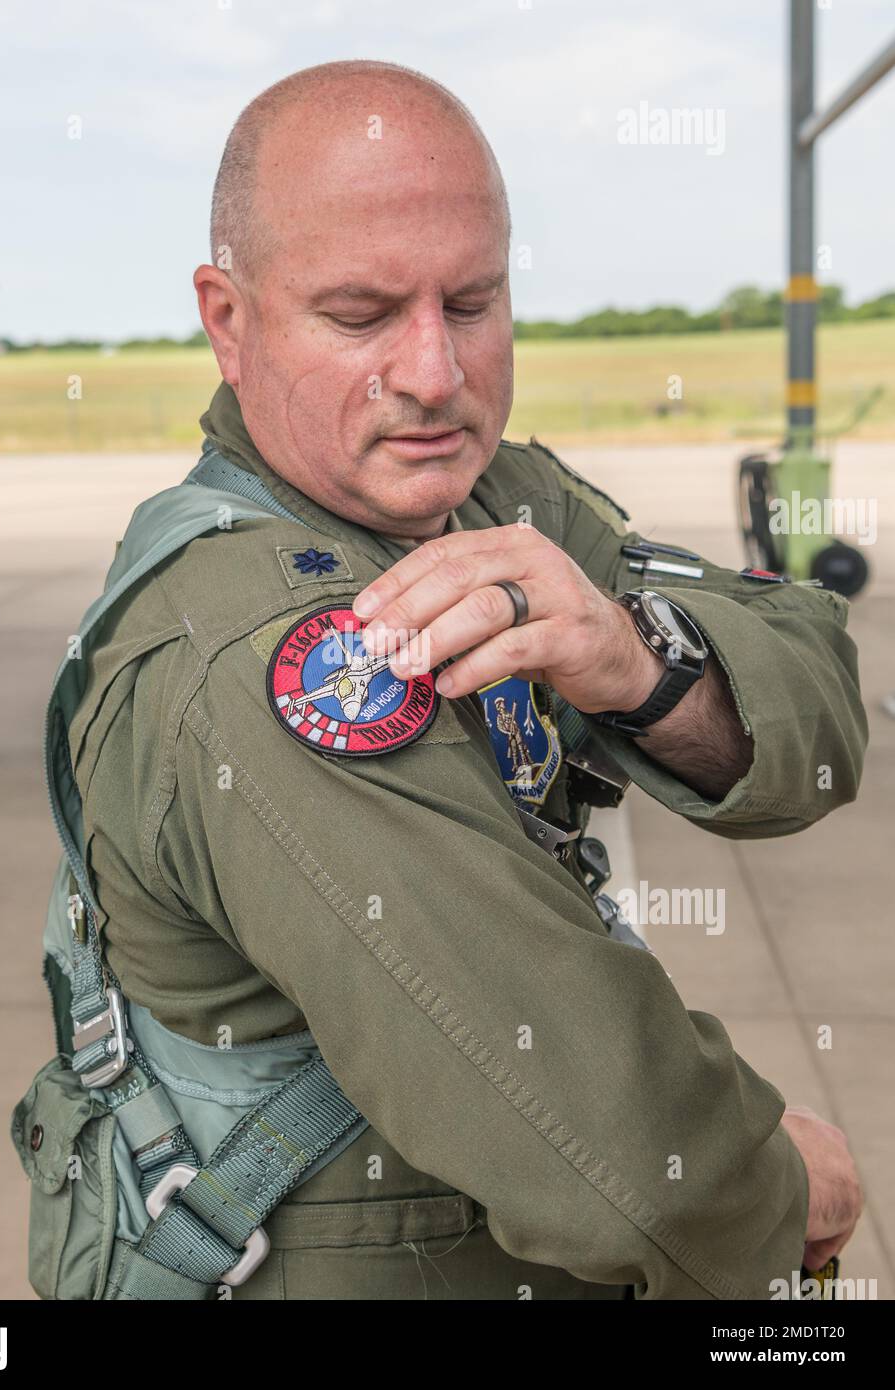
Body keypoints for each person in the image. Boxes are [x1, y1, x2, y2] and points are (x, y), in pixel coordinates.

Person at [50, 60, 866, 1300]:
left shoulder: (495, 498)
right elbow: (629, 1171)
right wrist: (781, 1185)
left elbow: (815, 701)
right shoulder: (271, 661)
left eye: (472, 302)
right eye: (361, 314)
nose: (434, 374)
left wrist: (638, 662)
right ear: (229, 320)